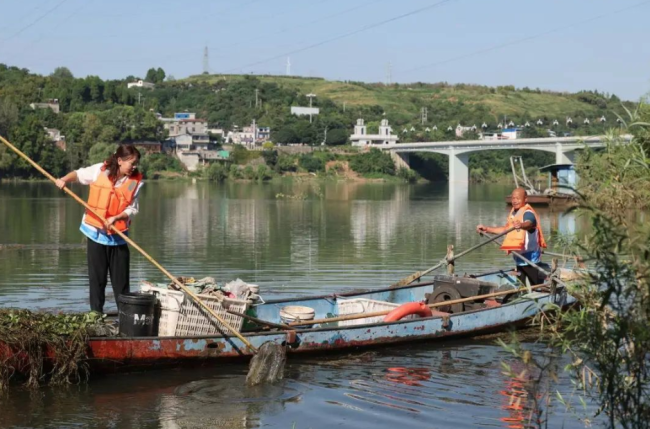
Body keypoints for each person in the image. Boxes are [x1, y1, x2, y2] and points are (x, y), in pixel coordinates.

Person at [55, 145, 143, 313]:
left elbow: (132, 209)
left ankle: (124, 319)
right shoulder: (99, 171)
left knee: (121, 282)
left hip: (118, 237)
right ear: (119, 160)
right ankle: (96, 316)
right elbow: (79, 174)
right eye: (131, 163)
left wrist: (116, 217)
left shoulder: (134, 183)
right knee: (97, 280)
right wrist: (64, 179)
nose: (134, 167)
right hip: (95, 234)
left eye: (136, 163)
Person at [476, 187, 547, 286]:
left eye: (518, 198)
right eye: (513, 198)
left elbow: (530, 223)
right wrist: (487, 229)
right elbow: (506, 230)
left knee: (532, 287)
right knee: (522, 284)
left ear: (525, 199)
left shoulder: (528, 213)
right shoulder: (514, 213)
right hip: (519, 258)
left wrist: (521, 225)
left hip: (531, 259)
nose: (514, 201)